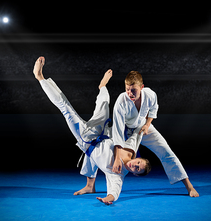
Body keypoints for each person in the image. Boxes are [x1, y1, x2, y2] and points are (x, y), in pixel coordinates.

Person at [33, 57, 151, 205]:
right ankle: (102, 85)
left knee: (66, 108)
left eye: (138, 169)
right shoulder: (130, 150)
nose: (136, 165)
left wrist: (108, 199)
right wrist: (146, 124)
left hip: (87, 138)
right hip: (102, 129)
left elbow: (115, 191)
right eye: (139, 163)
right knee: (105, 101)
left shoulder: (117, 174)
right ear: (137, 158)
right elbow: (137, 134)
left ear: (135, 174)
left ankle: (40, 77)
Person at [112, 71, 199, 197]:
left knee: (166, 151)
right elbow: (118, 131)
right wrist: (116, 159)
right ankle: (90, 185)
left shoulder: (150, 95)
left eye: (133, 90)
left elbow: (153, 109)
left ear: (141, 87)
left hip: (143, 127)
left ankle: (189, 186)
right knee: (97, 147)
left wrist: (147, 125)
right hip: (126, 132)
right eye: (127, 89)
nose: (130, 93)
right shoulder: (121, 101)